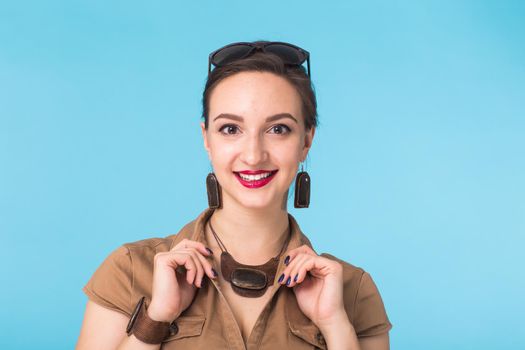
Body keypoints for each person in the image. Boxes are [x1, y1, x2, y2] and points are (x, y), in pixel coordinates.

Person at [76, 41, 392, 350]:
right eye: (231, 129)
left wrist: (334, 323)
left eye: (278, 129)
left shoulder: (351, 291)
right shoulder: (130, 270)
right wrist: (156, 319)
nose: (253, 156)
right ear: (207, 139)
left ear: (306, 141)